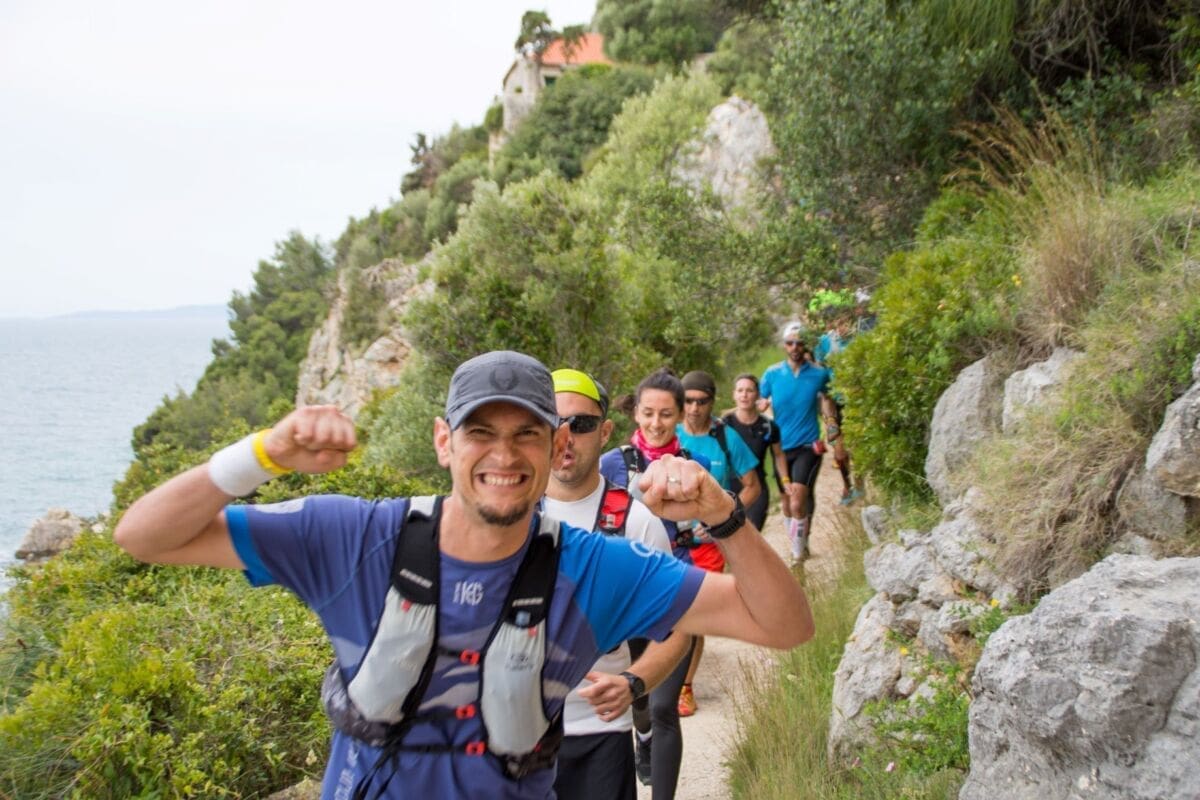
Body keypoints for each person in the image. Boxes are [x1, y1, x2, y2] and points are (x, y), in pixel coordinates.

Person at [113, 350, 813, 800]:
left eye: (526, 434)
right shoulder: (355, 538)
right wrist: (261, 454)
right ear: (444, 440)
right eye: (481, 432)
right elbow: (144, 535)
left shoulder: (592, 567)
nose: (503, 456)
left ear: (556, 446)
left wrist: (721, 514)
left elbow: (783, 625)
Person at [543, 368, 691, 800]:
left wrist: (634, 683)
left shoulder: (635, 522)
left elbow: (680, 626)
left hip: (597, 733)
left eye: (582, 424)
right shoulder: (505, 515)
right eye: (551, 423)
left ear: (605, 431)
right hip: (510, 736)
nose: (565, 437)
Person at [596, 367, 707, 800]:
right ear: (635, 414)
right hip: (622, 599)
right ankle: (640, 736)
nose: (656, 423)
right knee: (638, 703)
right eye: (648, 413)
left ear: (680, 415)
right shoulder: (611, 464)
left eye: (665, 414)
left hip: (676, 592)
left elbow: (717, 519)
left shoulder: (695, 464)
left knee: (663, 710)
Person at [673, 370, 761, 718]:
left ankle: (685, 686)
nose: (694, 408)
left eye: (702, 401)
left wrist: (726, 515)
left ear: (712, 401)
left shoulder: (725, 438)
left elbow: (752, 484)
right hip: (670, 540)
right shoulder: (669, 434)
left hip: (709, 544)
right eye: (688, 401)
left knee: (693, 617)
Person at [759, 324, 837, 561]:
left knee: (796, 501)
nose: (795, 347)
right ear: (784, 345)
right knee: (786, 504)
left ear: (806, 346)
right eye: (790, 343)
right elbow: (760, 399)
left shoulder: (819, 373)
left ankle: (797, 555)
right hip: (781, 448)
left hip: (808, 445)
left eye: (800, 343)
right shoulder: (771, 374)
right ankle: (801, 542)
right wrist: (760, 405)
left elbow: (828, 397)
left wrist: (831, 421)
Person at [721, 373, 788, 531]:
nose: (744, 395)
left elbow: (778, 455)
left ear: (757, 394)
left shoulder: (769, 426)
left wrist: (785, 480)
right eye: (740, 390)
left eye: (749, 390)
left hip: (757, 488)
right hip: (728, 488)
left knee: (752, 531)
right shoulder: (723, 424)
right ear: (734, 394)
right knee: (730, 536)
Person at [813, 312, 863, 506]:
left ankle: (859, 484)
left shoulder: (858, 339)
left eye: (846, 321)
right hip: (834, 400)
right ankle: (847, 484)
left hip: (856, 399)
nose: (842, 326)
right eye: (838, 321)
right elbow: (820, 375)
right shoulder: (824, 343)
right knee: (840, 451)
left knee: (858, 447)